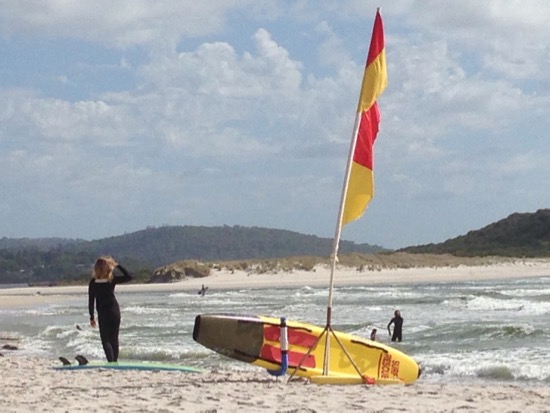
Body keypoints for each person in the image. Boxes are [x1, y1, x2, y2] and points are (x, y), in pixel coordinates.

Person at [88, 256, 133, 362]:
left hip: (103, 314)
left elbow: (91, 301)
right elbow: (129, 277)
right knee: (114, 339)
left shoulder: (93, 283)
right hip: (114, 312)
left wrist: (92, 317)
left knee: (105, 340)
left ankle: (111, 361)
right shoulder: (111, 280)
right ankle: (114, 361)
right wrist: (118, 265)